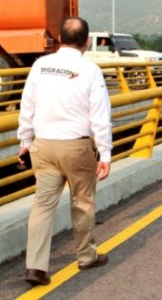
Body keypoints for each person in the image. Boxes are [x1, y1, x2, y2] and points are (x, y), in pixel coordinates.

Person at [17, 16, 112, 286]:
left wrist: (24, 141)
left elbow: (27, 106)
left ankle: (35, 266)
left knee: (43, 205)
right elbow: (100, 116)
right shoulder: (90, 70)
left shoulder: (41, 65)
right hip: (77, 146)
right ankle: (86, 256)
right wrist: (105, 154)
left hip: (43, 145)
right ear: (85, 40)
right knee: (82, 202)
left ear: (59, 38)